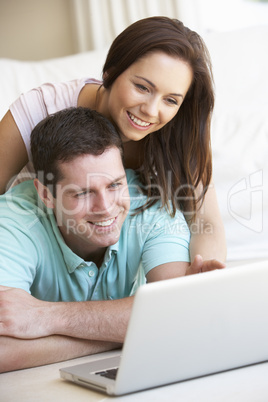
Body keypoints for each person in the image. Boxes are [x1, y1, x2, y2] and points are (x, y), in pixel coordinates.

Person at [0, 107, 221, 373]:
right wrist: (123, 332)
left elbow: (174, 312)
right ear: (46, 196)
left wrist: (44, 317)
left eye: (115, 185)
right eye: (82, 193)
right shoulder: (13, 221)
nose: (105, 207)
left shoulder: (150, 205)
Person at [0, 16, 226, 271]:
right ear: (110, 72)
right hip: (36, 252)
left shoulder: (179, 133)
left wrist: (202, 279)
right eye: (142, 87)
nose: (151, 111)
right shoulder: (39, 108)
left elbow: (207, 222)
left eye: (171, 100)